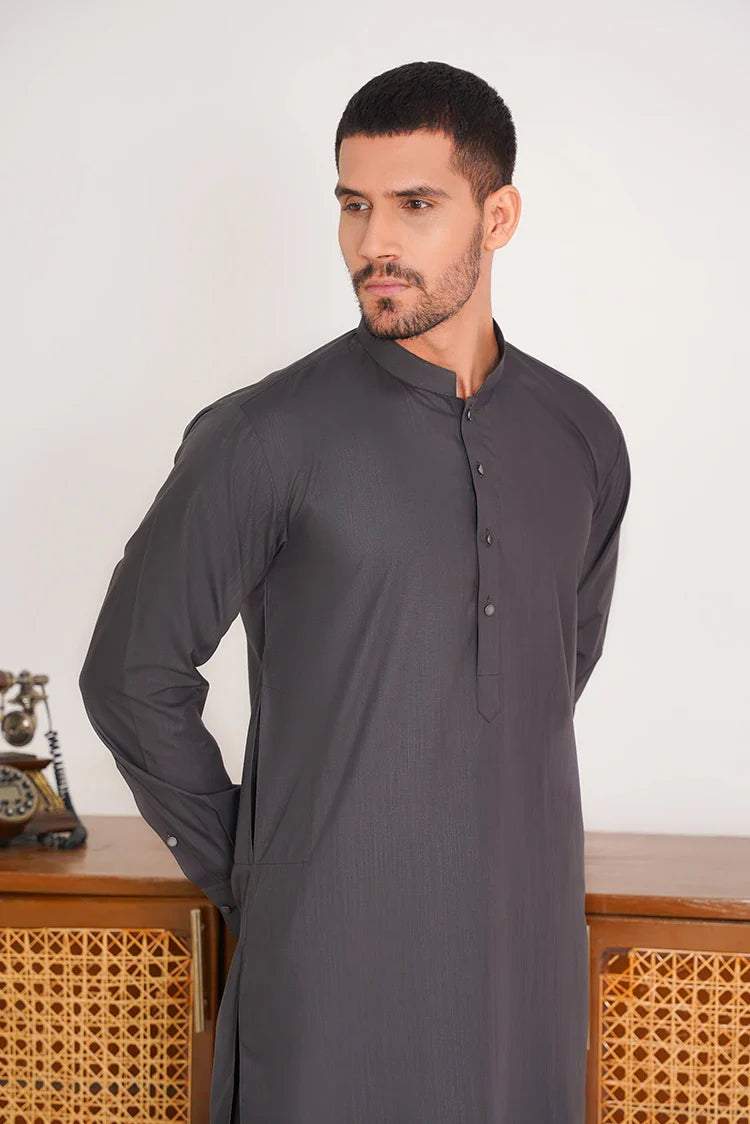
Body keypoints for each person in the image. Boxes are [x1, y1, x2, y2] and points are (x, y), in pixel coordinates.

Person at [79, 59, 631, 1124]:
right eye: (353, 204)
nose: (374, 241)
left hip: (525, 964)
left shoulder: (583, 439)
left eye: (415, 205)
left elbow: (556, 665)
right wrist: (257, 868)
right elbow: (131, 674)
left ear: (498, 217)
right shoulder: (263, 436)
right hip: (328, 972)